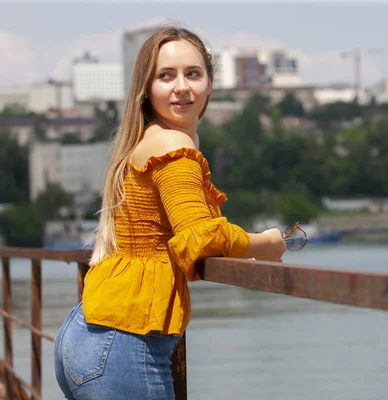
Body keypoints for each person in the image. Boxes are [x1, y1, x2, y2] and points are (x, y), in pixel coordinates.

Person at [53, 25, 286, 399]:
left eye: (193, 73)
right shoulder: (172, 146)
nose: (181, 86)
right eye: (166, 76)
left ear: (210, 83)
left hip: (89, 333)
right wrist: (265, 243)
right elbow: (200, 237)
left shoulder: (146, 139)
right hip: (123, 344)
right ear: (147, 88)